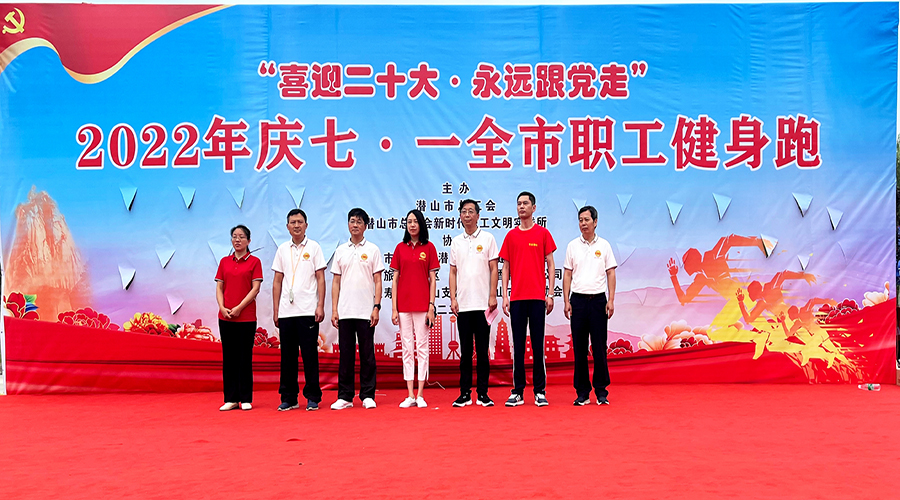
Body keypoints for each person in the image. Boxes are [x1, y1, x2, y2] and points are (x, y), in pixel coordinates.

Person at [500, 191, 556, 407]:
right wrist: (505, 295)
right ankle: (518, 391)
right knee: (518, 346)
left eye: (525, 203)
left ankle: (540, 391)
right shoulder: (511, 236)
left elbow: (550, 264)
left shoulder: (543, 234)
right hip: (517, 299)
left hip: (537, 298)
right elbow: (505, 267)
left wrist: (550, 294)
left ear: (534, 208)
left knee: (538, 345)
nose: (521, 207)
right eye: (519, 204)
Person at [272, 208, 326, 412]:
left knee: (310, 355)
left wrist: (320, 305)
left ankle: (313, 397)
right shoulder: (282, 249)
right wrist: (276, 309)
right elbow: (277, 281)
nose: (296, 225)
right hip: (286, 312)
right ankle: (289, 397)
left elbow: (320, 278)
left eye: (300, 222)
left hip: (308, 311)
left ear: (306, 225)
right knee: (287, 356)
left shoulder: (314, 247)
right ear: (287, 227)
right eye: (293, 222)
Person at [330, 208, 384, 410]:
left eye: (359, 222)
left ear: (365, 226)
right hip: (345, 311)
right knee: (346, 355)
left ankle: (368, 395)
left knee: (367, 355)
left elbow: (378, 281)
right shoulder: (341, 251)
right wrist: (334, 310)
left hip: (365, 311)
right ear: (348, 224)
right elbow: (336, 282)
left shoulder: (373, 250)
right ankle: (345, 396)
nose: (355, 225)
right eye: (352, 221)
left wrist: (376, 306)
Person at [562, 206, 617, 406]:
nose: (583, 223)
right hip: (577, 301)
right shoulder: (572, 246)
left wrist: (611, 300)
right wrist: (566, 301)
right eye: (580, 220)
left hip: (598, 301)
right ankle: (582, 393)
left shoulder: (604, 245)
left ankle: (601, 391)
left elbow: (611, 273)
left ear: (595, 222)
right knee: (579, 348)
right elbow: (567, 274)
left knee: (599, 347)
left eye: (586, 220)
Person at [449, 199, 499, 407]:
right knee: (466, 353)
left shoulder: (487, 239)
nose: (467, 215)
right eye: (464, 211)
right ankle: (464, 394)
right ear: (460, 216)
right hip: (464, 305)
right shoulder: (456, 242)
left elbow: (494, 268)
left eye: (471, 211)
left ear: (478, 215)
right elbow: (453, 271)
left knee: (482, 351)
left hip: (482, 305)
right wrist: (453, 298)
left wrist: (492, 295)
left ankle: (483, 394)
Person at [390, 209, 439, 408]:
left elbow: (433, 280)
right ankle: (409, 394)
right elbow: (394, 280)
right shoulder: (400, 248)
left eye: (415, 221)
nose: (412, 225)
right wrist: (394, 308)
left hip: (422, 306)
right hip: (403, 307)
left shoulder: (429, 248)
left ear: (421, 224)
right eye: (409, 222)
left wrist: (431, 306)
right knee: (407, 348)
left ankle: (420, 394)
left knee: (422, 348)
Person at [215, 224, 263, 411]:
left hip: (246, 318)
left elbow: (255, 289)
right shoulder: (224, 261)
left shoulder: (254, 262)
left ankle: (245, 398)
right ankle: (231, 398)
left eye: (242, 237)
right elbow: (219, 287)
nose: (237, 240)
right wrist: (222, 307)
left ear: (248, 241)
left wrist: (239, 308)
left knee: (244, 357)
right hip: (225, 317)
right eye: (234, 236)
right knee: (229, 358)